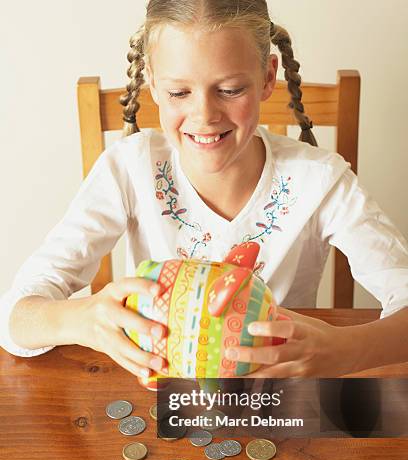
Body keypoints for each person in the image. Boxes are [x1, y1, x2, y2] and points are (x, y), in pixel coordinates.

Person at [1, 0, 408, 382]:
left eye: (230, 90)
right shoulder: (128, 168)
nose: (205, 116)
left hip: (277, 402)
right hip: (158, 401)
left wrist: (344, 350)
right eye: (180, 92)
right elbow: (14, 318)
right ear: (154, 85)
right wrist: (83, 319)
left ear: (268, 76)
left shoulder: (320, 180)